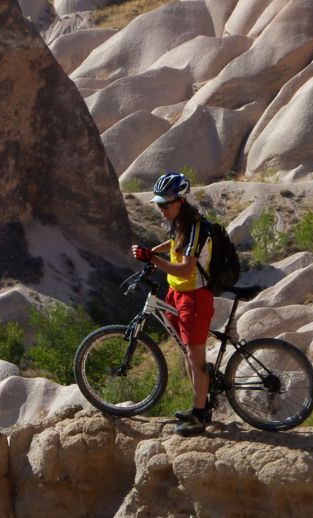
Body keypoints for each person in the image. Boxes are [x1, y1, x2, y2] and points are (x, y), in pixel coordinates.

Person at [131, 172, 214, 436]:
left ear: (180, 200)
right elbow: (174, 243)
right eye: (159, 204)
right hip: (176, 295)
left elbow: (184, 268)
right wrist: (153, 251)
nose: (162, 209)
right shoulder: (179, 222)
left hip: (194, 299)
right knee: (186, 354)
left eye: (167, 204)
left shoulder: (195, 228)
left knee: (196, 359)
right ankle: (198, 406)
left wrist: (152, 260)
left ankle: (199, 417)